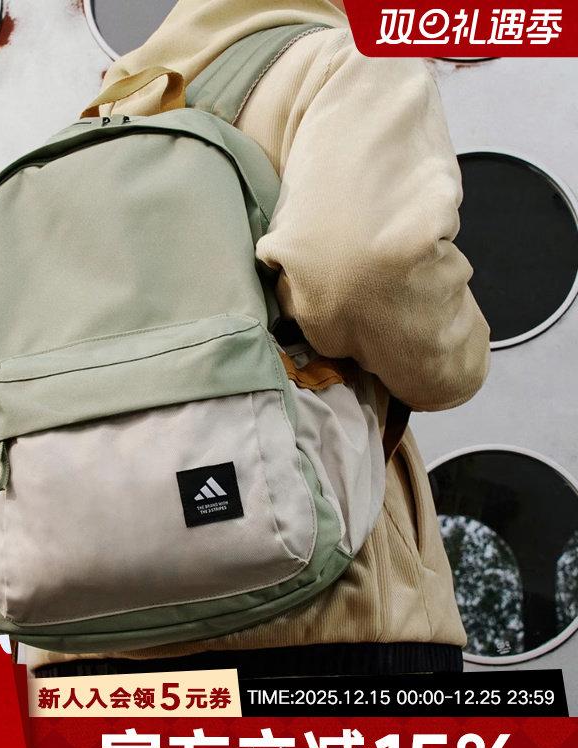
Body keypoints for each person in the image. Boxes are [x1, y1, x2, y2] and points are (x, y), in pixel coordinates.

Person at [29, 0, 490, 678]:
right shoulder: (350, 61)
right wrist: (463, 350)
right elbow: (360, 271)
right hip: (322, 617)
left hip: (87, 632)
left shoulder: (105, 112)